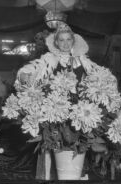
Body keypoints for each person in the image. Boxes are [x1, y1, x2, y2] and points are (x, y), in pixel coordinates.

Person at [14, 23, 106, 180]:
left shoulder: (83, 61)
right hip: (54, 111)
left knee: (77, 153)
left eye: (68, 39)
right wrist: (24, 76)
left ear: (73, 41)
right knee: (53, 151)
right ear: (56, 43)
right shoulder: (49, 58)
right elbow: (31, 69)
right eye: (61, 40)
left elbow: (102, 74)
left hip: (79, 112)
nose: (65, 43)